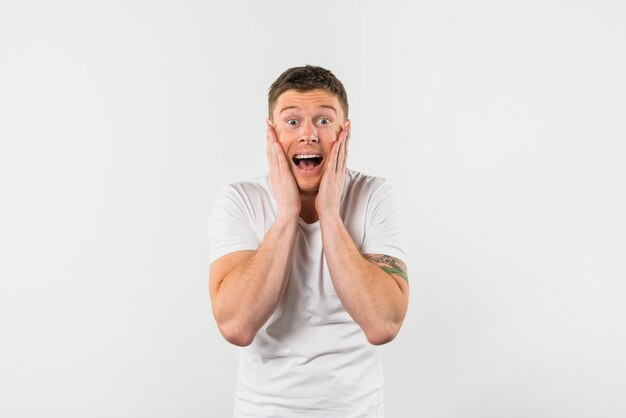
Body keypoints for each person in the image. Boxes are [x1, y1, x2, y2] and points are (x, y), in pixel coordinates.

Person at [207, 65, 409, 417]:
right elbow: (236, 326)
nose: (308, 135)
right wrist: (286, 214)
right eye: (292, 121)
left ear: (344, 132)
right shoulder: (239, 200)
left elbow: (383, 325)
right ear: (272, 133)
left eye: (324, 121)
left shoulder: (376, 196)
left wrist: (329, 214)